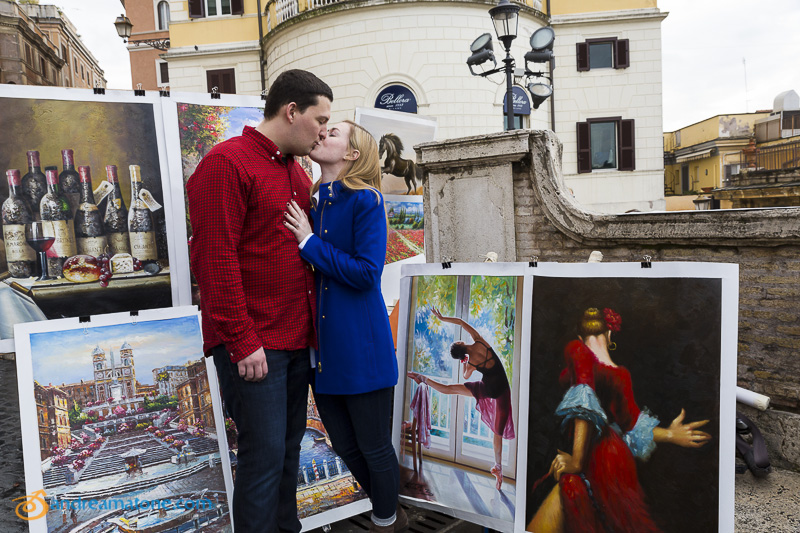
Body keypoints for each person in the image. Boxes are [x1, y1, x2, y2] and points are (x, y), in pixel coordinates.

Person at [187, 69, 332, 533]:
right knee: (263, 462)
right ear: (291, 111)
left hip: (294, 343)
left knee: (288, 456)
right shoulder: (225, 163)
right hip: (255, 348)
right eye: (319, 119)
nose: (324, 130)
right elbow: (214, 259)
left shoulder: (296, 171)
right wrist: (242, 341)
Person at [283, 120, 404, 532]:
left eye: (333, 133)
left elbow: (368, 273)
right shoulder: (315, 201)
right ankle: (389, 512)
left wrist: (309, 242)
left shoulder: (366, 200)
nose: (321, 134)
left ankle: (387, 521)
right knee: (345, 446)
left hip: (362, 348)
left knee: (373, 447)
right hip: (325, 352)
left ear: (352, 154)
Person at [528, 307, 712, 533]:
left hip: (593, 456)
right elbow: (632, 426)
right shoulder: (620, 374)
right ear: (609, 335)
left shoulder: (577, 350)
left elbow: (585, 398)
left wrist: (576, 460)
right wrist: (671, 434)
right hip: (614, 458)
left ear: (580, 337)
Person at [407, 308, 515, 490]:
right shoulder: (480, 341)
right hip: (501, 391)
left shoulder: (470, 362)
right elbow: (461, 322)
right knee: (498, 434)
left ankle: (423, 378)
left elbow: (465, 376)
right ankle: (498, 467)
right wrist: (442, 318)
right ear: (461, 342)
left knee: (450, 389)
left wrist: (465, 363)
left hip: (486, 389)